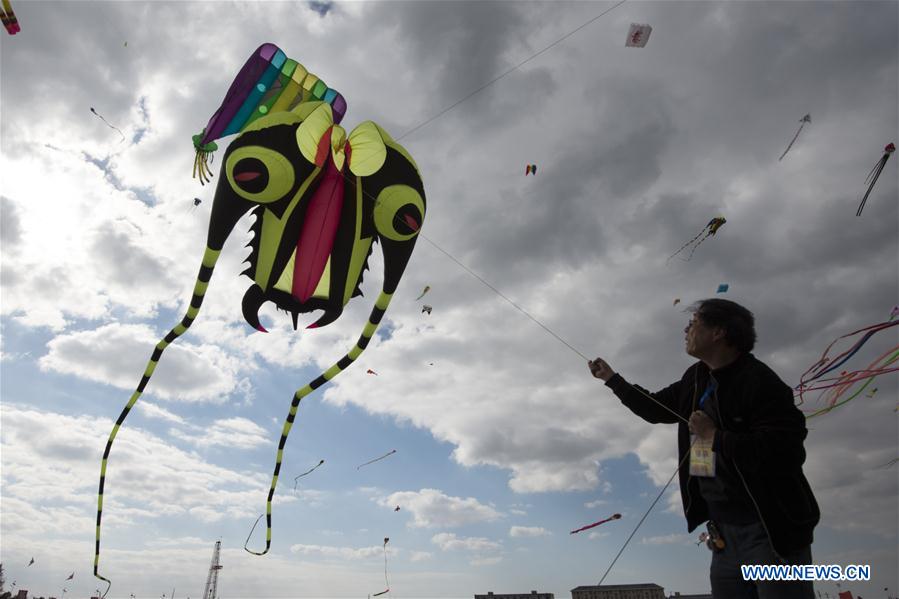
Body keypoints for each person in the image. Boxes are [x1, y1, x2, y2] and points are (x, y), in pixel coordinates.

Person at [589, 298, 819, 599]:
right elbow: (657, 409)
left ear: (718, 332)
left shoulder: (761, 382)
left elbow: (786, 450)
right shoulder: (695, 377)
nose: (686, 330)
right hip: (722, 533)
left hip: (770, 531)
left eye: (693, 323)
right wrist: (612, 379)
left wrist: (714, 437)